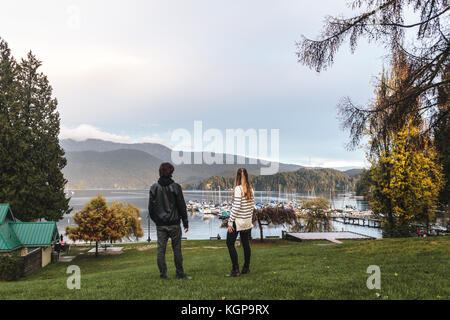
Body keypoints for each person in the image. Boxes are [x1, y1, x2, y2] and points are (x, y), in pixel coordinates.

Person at [148, 162, 191, 279]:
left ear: (160, 171)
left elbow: (151, 209)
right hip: (175, 224)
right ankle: (180, 274)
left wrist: (157, 221)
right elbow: (182, 206)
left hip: (160, 225)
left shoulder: (154, 188)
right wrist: (185, 222)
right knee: (177, 249)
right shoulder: (176, 187)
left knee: (160, 250)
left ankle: (163, 275)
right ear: (171, 172)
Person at [226, 168, 255, 277]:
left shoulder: (238, 189)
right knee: (246, 244)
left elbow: (237, 207)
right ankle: (246, 268)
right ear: (246, 176)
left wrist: (230, 222)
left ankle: (235, 270)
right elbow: (252, 207)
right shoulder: (251, 189)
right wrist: (249, 219)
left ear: (237, 176)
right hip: (247, 222)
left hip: (237, 222)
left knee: (229, 243)